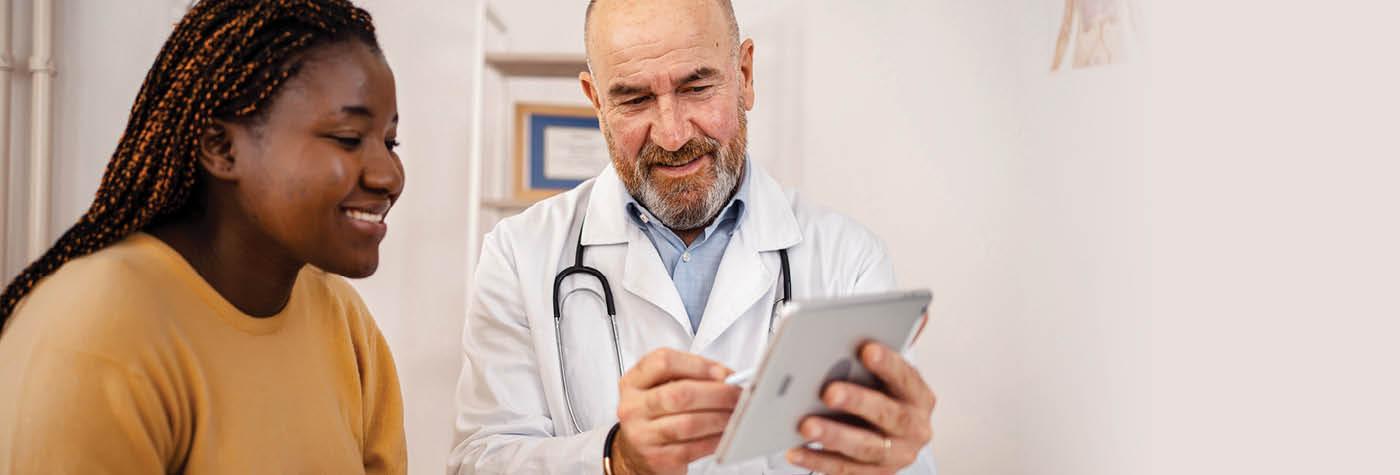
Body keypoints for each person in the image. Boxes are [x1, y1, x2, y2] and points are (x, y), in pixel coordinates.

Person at [449, 0, 937, 473]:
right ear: (596, 102)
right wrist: (616, 460)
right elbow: (477, 462)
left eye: (697, 87)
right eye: (634, 98)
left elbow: (896, 454)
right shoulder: (518, 253)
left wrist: (896, 461)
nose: (672, 134)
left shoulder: (848, 258)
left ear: (744, 76)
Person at [0, 0, 406, 472]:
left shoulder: (343, 321)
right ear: (221, 148)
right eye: (348, 137)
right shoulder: (98, 333)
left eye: (390, 142)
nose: (388, 176)